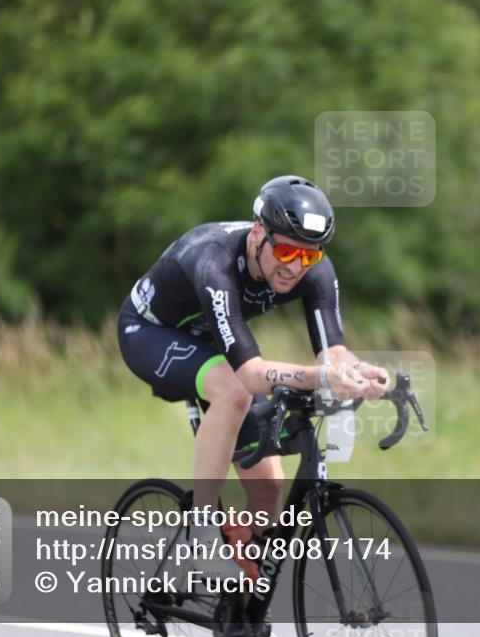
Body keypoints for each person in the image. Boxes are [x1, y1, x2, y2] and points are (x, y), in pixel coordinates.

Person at [117, 175, 390, 580]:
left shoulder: (312, 267)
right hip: (150, 333)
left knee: (268, 489)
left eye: (308, 257)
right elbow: (250, 372)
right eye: (285, 250)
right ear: (259, 233)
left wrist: (358, 371)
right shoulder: (215, 261)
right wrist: (320, 377)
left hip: (212, 342)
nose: (295, 266)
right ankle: (201, 533)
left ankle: (241, 617)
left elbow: (333, 351)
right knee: (233, 391)